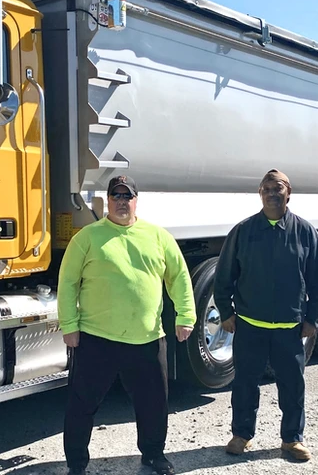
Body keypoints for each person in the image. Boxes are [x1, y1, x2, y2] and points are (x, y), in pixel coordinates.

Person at [57, 175, 197, 475]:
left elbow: (179, 277)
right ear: (107, 200)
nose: (122, 201)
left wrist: (186, 316)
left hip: (146, 338)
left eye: (127, 196)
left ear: (136, 200)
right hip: (97, 339)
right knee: (82, 405)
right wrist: (69, 325)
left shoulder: (158, 236)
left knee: (154, 404)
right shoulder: (87, 237)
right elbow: (67, 283)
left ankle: (153, 455)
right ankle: (76, 464)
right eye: (116, 195)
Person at [213, 169, 318, 461]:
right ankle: (241, 435)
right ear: (260, 193)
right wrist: (226, 312)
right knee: (244, 385)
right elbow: (224, 275)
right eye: (266, 188)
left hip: (289, 329)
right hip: (250, 325)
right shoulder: (244, 231)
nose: (272, 193)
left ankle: (292, 440)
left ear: (288, 193)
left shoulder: (305, 233)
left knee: (292, 386)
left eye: (278, 188)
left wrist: (312, 319)